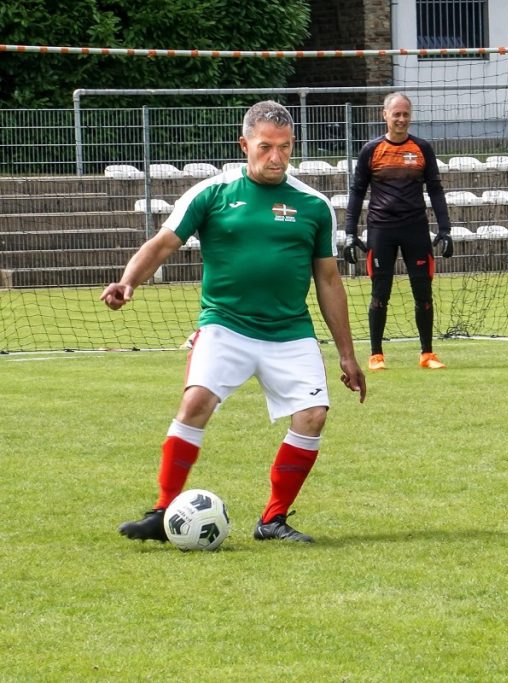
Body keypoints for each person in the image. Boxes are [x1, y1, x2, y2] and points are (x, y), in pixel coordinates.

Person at [103, 101, 367, 545]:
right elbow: (163, 243)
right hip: (224, 325)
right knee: (196, 403)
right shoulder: (212, 193)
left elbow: (328, 280)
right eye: (265, 147)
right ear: (245, 145)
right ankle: (164, 510)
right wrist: (128, 282)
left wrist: (347, 354)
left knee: (313, 416)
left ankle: (273, 520)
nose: (276, 157)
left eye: (284, 148)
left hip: (290, 331)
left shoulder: (314, 204)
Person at [343, 92, 453, 371]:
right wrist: (349, 233)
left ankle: (427, 354)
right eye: (396, 114)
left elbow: (436, 190)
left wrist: (445, 229)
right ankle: (376, 355)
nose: (401, 119)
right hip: (381, 230)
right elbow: (357, 192)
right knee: (380, 292)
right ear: (385, 115)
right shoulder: (371, 150)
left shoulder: (422, 148)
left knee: (423, 292)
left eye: (405, 114)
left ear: (410, 116)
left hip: (415, 229)